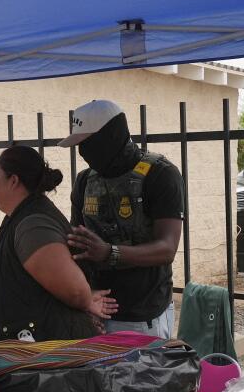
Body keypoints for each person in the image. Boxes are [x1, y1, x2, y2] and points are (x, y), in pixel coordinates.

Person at [60, 100, 183, 339]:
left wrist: (109, 252)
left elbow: (167, 248)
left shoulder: (160, 174)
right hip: (96, 312)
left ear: (111, 137)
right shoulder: (84, 181)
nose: (82, 152)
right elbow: (77, 246)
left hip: (144, 317)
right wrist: (87, 298)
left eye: (87, 143)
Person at [0, 145, 116, 344]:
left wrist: (86, 300)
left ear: (13, 181)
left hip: (40, 362)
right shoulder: (21, 217)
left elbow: (75, 291)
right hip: (25, 358)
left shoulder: (34, 226)